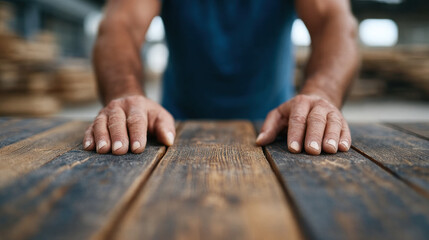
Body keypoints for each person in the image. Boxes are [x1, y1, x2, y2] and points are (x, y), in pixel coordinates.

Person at [83, 0, 359, 156]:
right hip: (169, 133)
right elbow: (121, 24)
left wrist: (322, 94)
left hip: (280, 133)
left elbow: (335, 22)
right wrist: (125, 93)